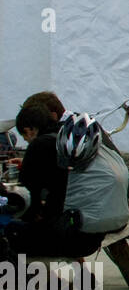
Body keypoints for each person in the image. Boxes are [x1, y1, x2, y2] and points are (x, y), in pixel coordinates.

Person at [5, 105, 100, 258]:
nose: (27, 141)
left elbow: (27, 200)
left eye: (25, 137)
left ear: (29, 130)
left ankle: (27, 279)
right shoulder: (69, 138)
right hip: (94, 232)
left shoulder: (39, 145)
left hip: (67, 237)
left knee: (9, 229)